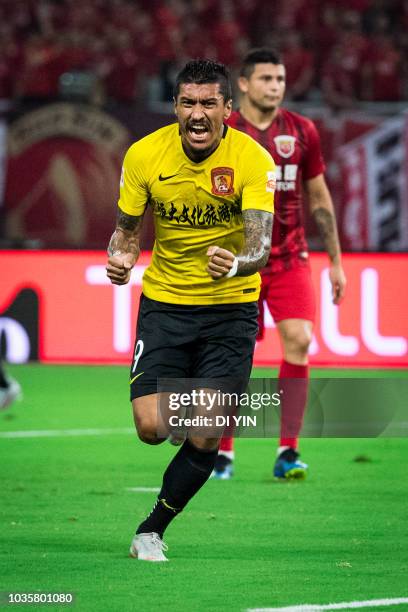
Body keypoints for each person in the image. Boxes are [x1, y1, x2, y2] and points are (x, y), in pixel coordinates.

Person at [105, 59, 275, 561]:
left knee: (205, 431)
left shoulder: (253, 160)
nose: (197, 115)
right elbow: (127, 229)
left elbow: (260, 247)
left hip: (231, 310)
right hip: (166, 306)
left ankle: (151, 529)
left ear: (228, 108)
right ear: (175, 105)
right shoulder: (144, 155)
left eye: (208, 104)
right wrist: (121, 256)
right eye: (187, 103)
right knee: (152, 429)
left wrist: (236, 263)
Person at [214, 48, 346, 480]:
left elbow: (320, 199)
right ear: (246, 84)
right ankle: (223, 454)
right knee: (233, 354)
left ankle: (288, 450)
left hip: (290, 256)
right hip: (239, 260)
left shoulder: (302, 130)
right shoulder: (225, 131)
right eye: (267, 78)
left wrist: (336, 262)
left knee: (300, 340)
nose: (276, 86)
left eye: (281, 79)